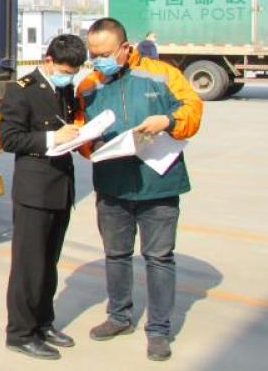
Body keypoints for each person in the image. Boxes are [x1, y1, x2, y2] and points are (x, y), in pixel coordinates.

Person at [77, 18, 202, 362]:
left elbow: (192, 110)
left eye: (104, 54)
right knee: (116, 254)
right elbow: (80, 131)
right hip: (112, 184)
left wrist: (168, 121)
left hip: (158, 183)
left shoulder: (162, 75)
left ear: (125, 47)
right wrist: (89, 145)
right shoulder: (89, 86)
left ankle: (159, 330)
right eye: (93, 54)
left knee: (159, 257)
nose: (98, 60)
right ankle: (119, 316)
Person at [0, 34, 87, 360]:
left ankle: (43, 322)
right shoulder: (20, 90)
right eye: (65, 70)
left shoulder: (64, 89)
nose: (69, 77)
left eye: (74, 72)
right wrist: (52, 138)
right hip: (34, 191)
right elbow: (10, 139)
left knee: (49, 264)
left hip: (60, 188)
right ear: (48, 60)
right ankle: (20, 333)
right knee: (29, 266)